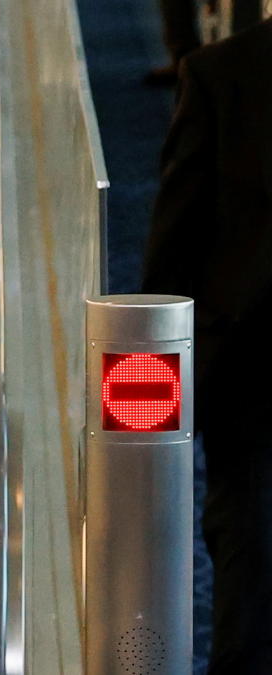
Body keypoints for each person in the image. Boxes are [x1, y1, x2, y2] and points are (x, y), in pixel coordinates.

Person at [142, 18, 272, 673]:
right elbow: (175, 244)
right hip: (254, 370)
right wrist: (154, 375)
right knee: (251, 566)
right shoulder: (223, 74)